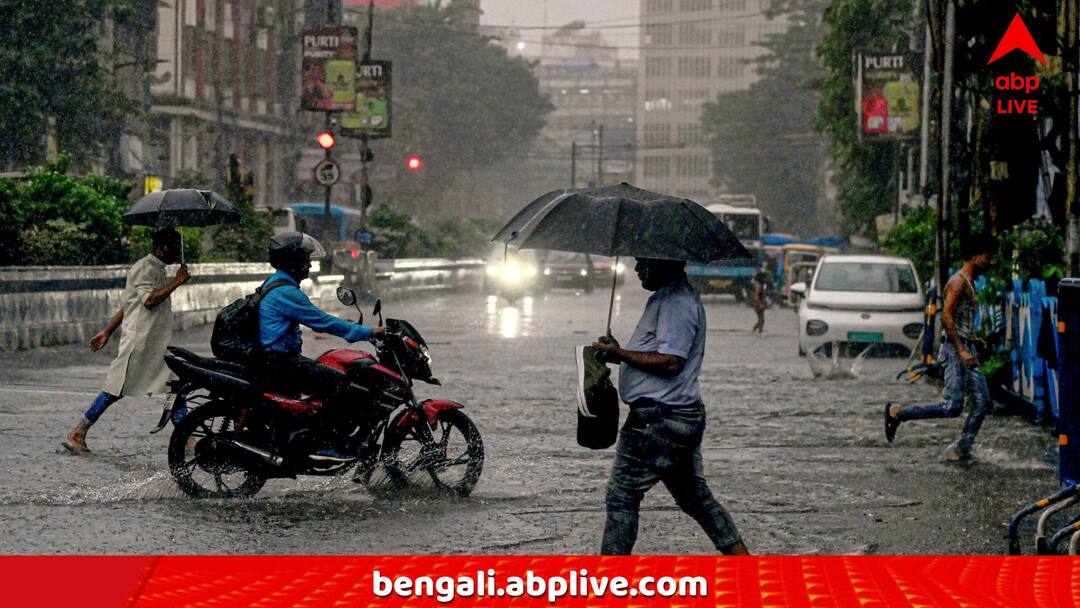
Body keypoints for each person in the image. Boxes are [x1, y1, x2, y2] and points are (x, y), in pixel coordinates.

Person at [592, 258, 748, 555]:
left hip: (659, 419)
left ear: (665, 262)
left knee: (622, 497)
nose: (637, 269)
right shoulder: (668, 299)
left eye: (643, 262)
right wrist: (619, 352)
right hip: (674, 416)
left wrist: (621, 353)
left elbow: (671, 362)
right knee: (696, 499)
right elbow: (659, 354)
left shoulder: (677, 303)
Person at [257, 231, 385, 461]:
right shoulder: (287, 292)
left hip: (274, 359)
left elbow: (316, 320)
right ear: (293, 261)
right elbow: (323, 322)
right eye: (305, 259)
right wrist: (367, 332)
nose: (309, 263)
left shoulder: (277, 282)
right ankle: (327, 444)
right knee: (341, 382)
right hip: (281, 362)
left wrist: (342, 325)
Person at [63, 228, 189, 454]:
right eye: (175, 249)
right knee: (114, 389)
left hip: (153, 345)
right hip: (138, 343)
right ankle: (78, 432)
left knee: (175, 386)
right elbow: (148, 301)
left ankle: (189, 439)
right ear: (163, 248)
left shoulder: (157, 269)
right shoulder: (144, 268)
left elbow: (129, 305)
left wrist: (107, 331)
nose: (178, 254)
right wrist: (177, 282)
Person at [884, 234, 997, 461]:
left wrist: (973, 342)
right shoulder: (958, 282)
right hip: (956, 351)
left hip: (966, 348)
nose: (989, 262)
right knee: (951, 407)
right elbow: (945, 316)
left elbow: (959, 319)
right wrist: (961, 348)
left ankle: (961, 450)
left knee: (983, 402)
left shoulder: (970, 282)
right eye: (987, 257)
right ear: (974, 256)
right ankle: (897, 413)